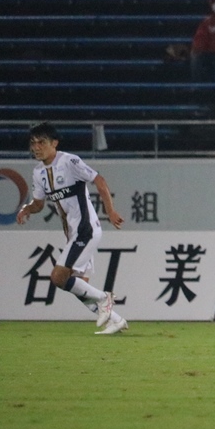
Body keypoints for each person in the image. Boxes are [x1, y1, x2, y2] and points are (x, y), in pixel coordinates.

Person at [15, 122, 129, 335]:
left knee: (58, 277)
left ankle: (104, 298)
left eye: (41, 142)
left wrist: (110, 211)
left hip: (86, 230)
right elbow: (39, 204)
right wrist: (27, 209)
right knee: (78, 286)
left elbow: (99, 180)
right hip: (73, 234)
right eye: (33, 143)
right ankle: (117, 320)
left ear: (54, 143)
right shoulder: (38, 172)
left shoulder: (69, 162)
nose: (36, 147)